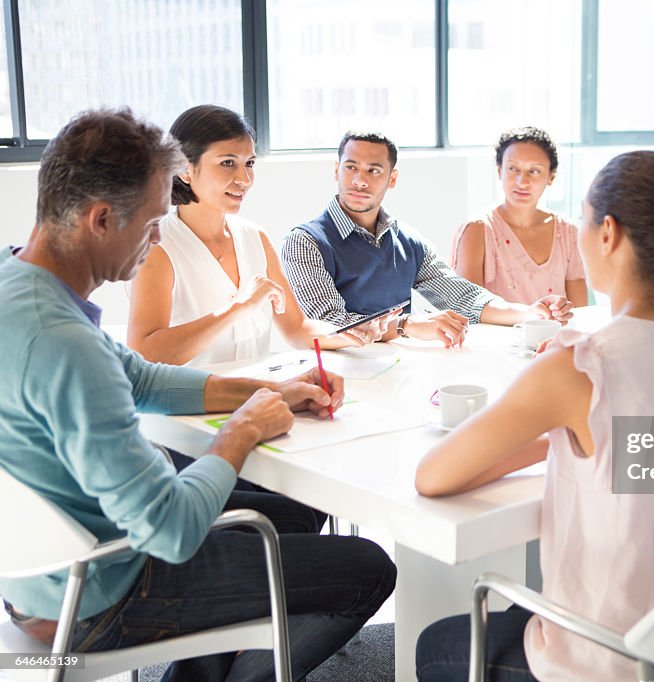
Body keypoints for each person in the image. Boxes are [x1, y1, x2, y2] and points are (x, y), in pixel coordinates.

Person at [0, 108, 396, 681]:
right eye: (153, 221)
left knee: (294, 512)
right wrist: (241, 434)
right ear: (102, 219)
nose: (160, 237)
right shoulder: (65, 345)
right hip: (97, 593)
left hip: (41, 571)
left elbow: (144, 378)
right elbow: (172, 529)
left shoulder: (20, 284)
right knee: (367, 567)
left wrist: (273, 390)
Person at [414, 150, 654, 680]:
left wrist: (552, 428)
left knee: (437, 644)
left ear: (608, 234)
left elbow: (433, 476)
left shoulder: (582, 364)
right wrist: (564, 434)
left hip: (618, 661)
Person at [127, 105, 387, 367]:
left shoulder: (255, 238)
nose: (245, 179)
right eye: (228, 163)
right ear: (184, 168)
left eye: (249, 163)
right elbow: (145, 352)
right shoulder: (158, 247)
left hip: (256, 398)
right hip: (190, 403)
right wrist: (238, 307)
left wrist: (348, 332)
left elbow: (297, 329)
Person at [281, 131, 573, 349]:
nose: (360, 180)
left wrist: (530, 312)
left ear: (392, 179)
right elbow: (327, 324)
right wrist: (408, 325)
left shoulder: (408, 240)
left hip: (397, 372)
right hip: (339, 379)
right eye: (351, 167)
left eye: (374, 170)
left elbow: (464, 297)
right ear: (336, 170)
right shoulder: (305, 242)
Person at [450, 126, 588, 307]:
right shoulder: (477, 230)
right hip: (495, 336)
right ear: (500, 171)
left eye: (535, 171)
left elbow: (579, 312)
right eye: (513, 169)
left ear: (551, 177)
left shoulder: (569, 232)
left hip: (558, 335)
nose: (522, 181)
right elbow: (468, 310)